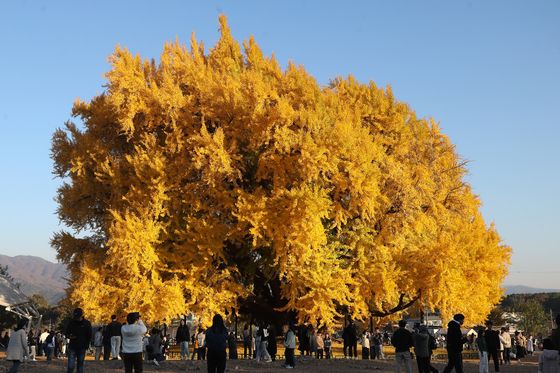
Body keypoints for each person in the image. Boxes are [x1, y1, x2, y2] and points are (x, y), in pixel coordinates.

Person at [65, 307, 92, 373]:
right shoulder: (71, 322)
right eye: (75, 317)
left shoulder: (87, 323)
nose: (76, 318)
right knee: (70, 366)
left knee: (80, 365)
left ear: (81, 316)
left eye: (78, 317)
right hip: (72, 347)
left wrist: (87, 345)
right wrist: (69, 336)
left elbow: (89, 335)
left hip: (82, 347)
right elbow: (66, 333)